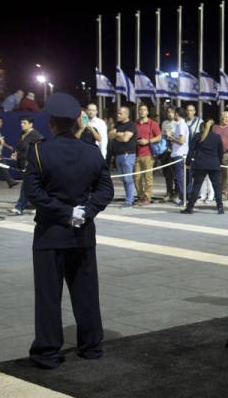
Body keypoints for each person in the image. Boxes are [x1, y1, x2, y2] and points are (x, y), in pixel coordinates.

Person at [20, 92, 114, 369]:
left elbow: (33, 192)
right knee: (86, 294)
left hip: (50, 235)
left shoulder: (39, 151)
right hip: (82, 234)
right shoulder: (91, 152)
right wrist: (86, 211)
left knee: (49, 297)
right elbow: (105, 190)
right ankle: (91, 346)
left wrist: (64, 212)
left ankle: (47, 352)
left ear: (51, 124)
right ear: (77, 123)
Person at [181, 119, 224, 215]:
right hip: (214, 164)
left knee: (196, 186)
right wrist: (218, 162)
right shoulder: (217, 137)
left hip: (200, 164)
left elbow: (191, 151)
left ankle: (190, 207)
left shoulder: (197, 136)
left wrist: (187, 163)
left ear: (202, 127)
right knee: (217, 186)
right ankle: (220, 207)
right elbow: (221, 152)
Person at [9, 115, 44, 215]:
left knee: (26, 186)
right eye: (21, 123)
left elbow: (40, 149)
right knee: (31, 187)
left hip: (32, 165)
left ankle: (19, 207)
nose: (22, 125)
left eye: (24, 123)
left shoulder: (36, 135)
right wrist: (15, 154)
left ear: (31, 124)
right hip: (22, 164)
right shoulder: (22, 134)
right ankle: (37, 206)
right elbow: (20, 147)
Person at [132, 104, 161, 206]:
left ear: (147, 112)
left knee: (148, 177)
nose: (142, 112)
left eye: (144, 110)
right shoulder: (134, 123)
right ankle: (140, 196)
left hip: (148, 154)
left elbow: (159, 137)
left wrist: (147, 141)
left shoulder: (152, 123)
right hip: (136, 154)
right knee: (136, 177)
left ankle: (147, 197)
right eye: (140, 110)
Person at [109, 106, 136, 207]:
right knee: (123, 178)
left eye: (120, 113)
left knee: (128, 178)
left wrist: (117, 135)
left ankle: (129, 200)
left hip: (127, 154)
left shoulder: (131, 125)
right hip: (118, 154)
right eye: (118, 113)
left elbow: (125, 138)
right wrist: (119, 134)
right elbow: (110, 135)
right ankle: (130, 198)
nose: (118, 115)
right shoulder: (118, 124)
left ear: (126, 115)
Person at [165, 106, 189, 205]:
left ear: (177, 114)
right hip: (179, 153)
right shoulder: (181, 124)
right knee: (179, 177)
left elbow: (181, 141)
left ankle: (183, 198)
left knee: (179, 177)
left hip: (180, 154)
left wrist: (170, 136)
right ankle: (182, 198)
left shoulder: (181, 125)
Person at [0, 116, 19, 188]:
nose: (1, 123)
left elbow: (0, 141)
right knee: (3, 167)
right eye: (0, 121)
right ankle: (10, 181)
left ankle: (10, 181)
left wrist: (8, 147)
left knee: (0, 167)